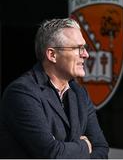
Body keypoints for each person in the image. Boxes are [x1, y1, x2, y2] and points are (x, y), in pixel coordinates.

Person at [0, 18, 109, 158]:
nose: (86, 54)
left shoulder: (79, 93)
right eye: (78, 48)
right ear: (52, 55)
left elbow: (101, 148)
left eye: (85, 48)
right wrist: (85, 146)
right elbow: (51, 154)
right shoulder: (21, 93)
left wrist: (66, 150)